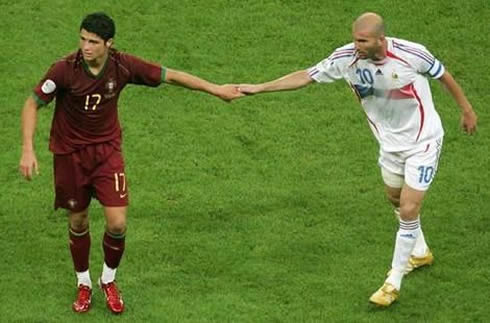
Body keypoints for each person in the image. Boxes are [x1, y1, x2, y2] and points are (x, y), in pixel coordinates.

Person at [238, 12, 477, 307]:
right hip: (389, 146)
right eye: (354, 39)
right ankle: (419, 251)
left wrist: (466, 110)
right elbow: (307, 76)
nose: (356, 45)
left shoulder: (411, 54)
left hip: (423, 143)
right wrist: (260, 87)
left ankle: (393, 281)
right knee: (395, 199)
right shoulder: (346, 59)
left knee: (409, 207)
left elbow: (443, 75)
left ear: (380, 39)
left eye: (362, 40)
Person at [19, 12, 243, 314]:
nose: (85, 47)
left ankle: (108, 280)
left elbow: (171, 75)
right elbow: (33, 103)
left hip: (107, 153)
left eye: (93, 42)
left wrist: (215, 89)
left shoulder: (122, 65)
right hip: (70, 155)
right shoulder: (63, 70)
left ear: (109, 43)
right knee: (78, 221)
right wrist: (27, 149)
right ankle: (83, 282)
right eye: (82, 39)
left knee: (118, 222)